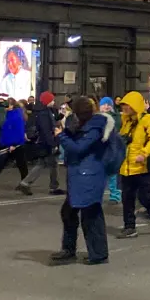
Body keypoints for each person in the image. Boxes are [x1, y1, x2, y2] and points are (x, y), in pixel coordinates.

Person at [49, 97, 111, 265]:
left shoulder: (95, 128)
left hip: (88, 176)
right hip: (81, 177)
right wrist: (66, 132)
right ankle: (69, 250)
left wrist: (61, 136)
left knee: (91, 215)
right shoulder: (86, 125)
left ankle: (98, 254)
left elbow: (78, 148)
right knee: (69, 213)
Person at [117, 91, 150, 238]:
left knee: (144, 198)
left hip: (144, 167)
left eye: (127, 105)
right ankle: (129, 227)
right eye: (123, 105)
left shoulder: (148, 119)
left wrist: (144, 153)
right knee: (127, 198)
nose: (124, 108)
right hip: (127, 167)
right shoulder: (126, 121)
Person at [0, 99, 29, 184]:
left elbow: (17, 130)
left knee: (20, 165)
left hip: (13, 144)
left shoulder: (15, 116)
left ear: (11, 106)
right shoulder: (14, 114)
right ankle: (25, 183)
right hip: (9, 144)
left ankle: (25, 183)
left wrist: (14, 144)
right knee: (20, 165)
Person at [98, 98, 122, 203]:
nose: (106, 106)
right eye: (104, 104)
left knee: (113, 174)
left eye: (108, 104)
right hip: (100, 149)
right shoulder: (97, 117)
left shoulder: (117, 117)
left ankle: (115, 195)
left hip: (113, 148)